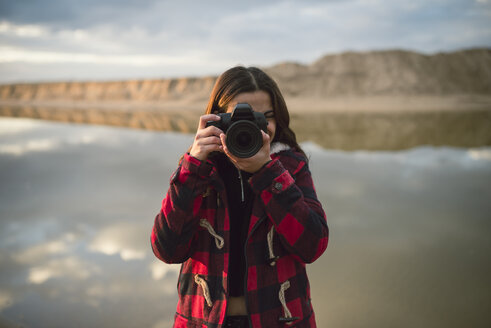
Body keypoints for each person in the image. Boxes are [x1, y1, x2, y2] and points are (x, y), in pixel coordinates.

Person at [151, 66, 328, 328]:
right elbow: (166, 249)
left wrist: (268, 173)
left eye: (265, 116)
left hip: (281, 320)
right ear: (217, 119)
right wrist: (192, 169)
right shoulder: (200, 169)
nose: (254, 127)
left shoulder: (291, 165)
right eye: (239, 117)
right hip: (203, 320)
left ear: (278, 119)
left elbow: (313, 245)